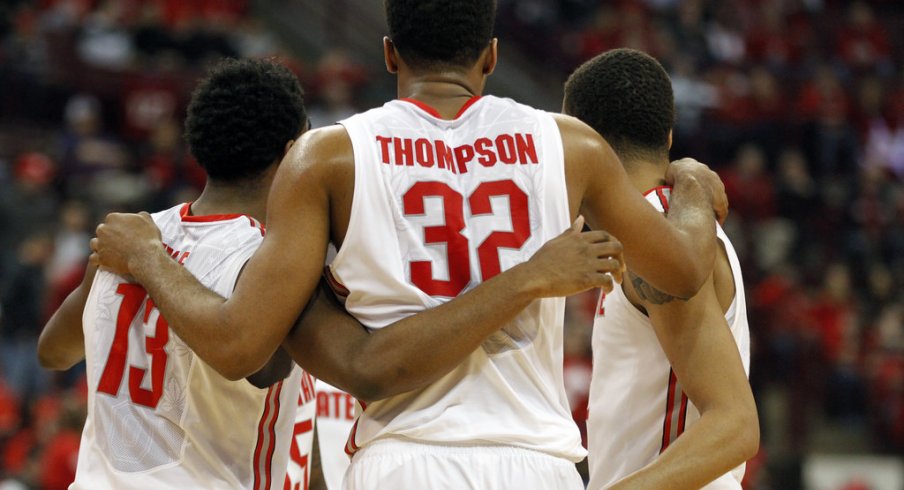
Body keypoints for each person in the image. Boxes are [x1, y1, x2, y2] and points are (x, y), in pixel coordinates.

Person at [90, 1, 729, 488]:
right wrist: (695, 184)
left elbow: (239, 343)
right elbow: (684, 268)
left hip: (404, 457)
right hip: (538, 463)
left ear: (390, 54)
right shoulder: (569, 143)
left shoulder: (325, 157)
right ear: (492, 56)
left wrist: (148, 255)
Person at [37, 58, 308, 489]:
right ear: (294, 151)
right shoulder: (268, 258)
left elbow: (54, 352)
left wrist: (107, 273)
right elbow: (258, 363)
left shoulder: (127, 236)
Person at [563, 48, 759, 489]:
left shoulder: (661, 237)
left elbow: (735, 425)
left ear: (583, 143)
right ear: (668, 137)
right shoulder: (657, 225)